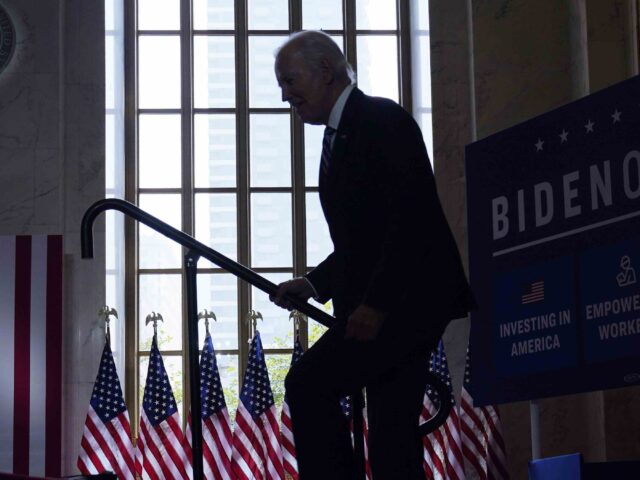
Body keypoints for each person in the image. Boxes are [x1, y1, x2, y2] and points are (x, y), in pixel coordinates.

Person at [270, 30, 474, 479]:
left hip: (404, 305)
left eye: (289, 81)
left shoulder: (383, 120)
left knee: (308, 385)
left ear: (325, 71)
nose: (284, 95)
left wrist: (376, 304)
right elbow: (363, 237)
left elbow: (409, 220)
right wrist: (313, 283)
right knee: (391, 436)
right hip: (393, 303)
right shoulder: (340, 134)